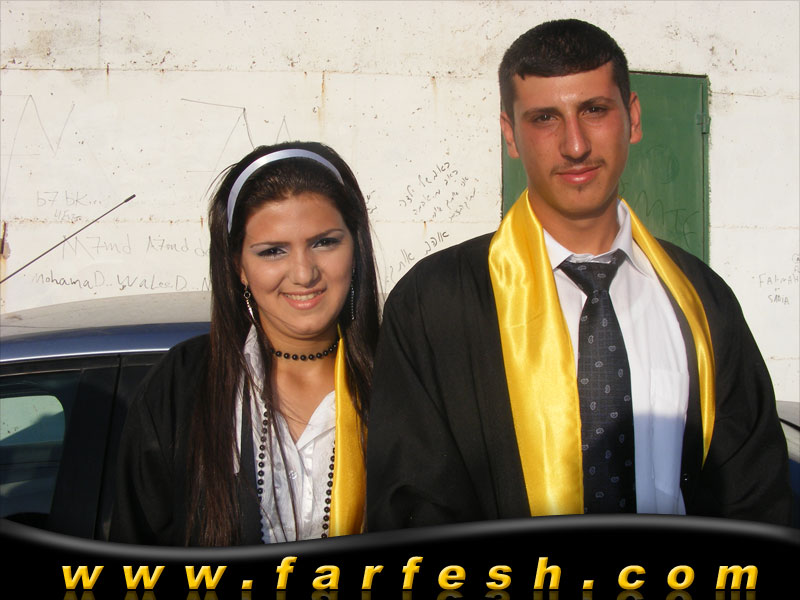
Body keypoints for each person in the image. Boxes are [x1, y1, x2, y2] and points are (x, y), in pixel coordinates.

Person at [366, 19, 791, 529]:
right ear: (511, 135)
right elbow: (413, 506)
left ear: (633, 118)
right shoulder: (433, 305)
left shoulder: (703, 300)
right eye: (545, 118)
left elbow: (754, 494)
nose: (574, 145)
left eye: (594, 110)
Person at [111, 141, 380, 545]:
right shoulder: (183, 387)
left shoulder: (404, 380)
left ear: (355, 248)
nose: (303, 273)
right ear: (238, 266)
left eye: (324, 242)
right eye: (273, 251)